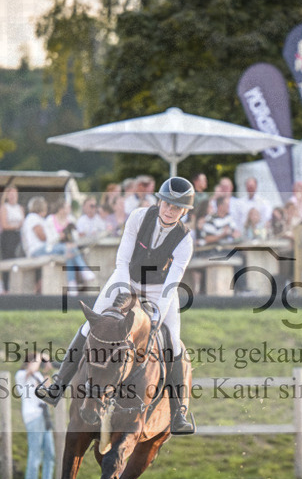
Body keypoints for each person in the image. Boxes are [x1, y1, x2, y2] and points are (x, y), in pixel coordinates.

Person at [38, 176, 198, 435]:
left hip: (160, 289)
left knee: (173, 341)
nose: (170, 211)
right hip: (127, 278)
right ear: (160, 200)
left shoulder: (185, 239)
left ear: (184, 211)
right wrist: (124, 294)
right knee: (89, 326)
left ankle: (179, 412)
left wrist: (156, 317)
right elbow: (122, 260)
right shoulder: (138, 217)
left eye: (177, 208)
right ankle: (58, 384)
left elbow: (172, 283)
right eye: (167, 204)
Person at [15, 353, 54, 479]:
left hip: (44, 415)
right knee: (35, 452)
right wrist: (41, 356)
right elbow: (31, 369)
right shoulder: (21, 375)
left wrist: (47, 373)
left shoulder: (38, 376)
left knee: (50, 453)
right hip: (33, 416)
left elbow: (49, 393)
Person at [0, 184, 23, 292]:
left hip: (18, 237)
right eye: (10, 193)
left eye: (14, 193)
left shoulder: (20, 208)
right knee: (7, 260)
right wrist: (16, 226)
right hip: (8, 237)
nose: (13, 196)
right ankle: (5, 288)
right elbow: (4, 225)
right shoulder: (4, 208)